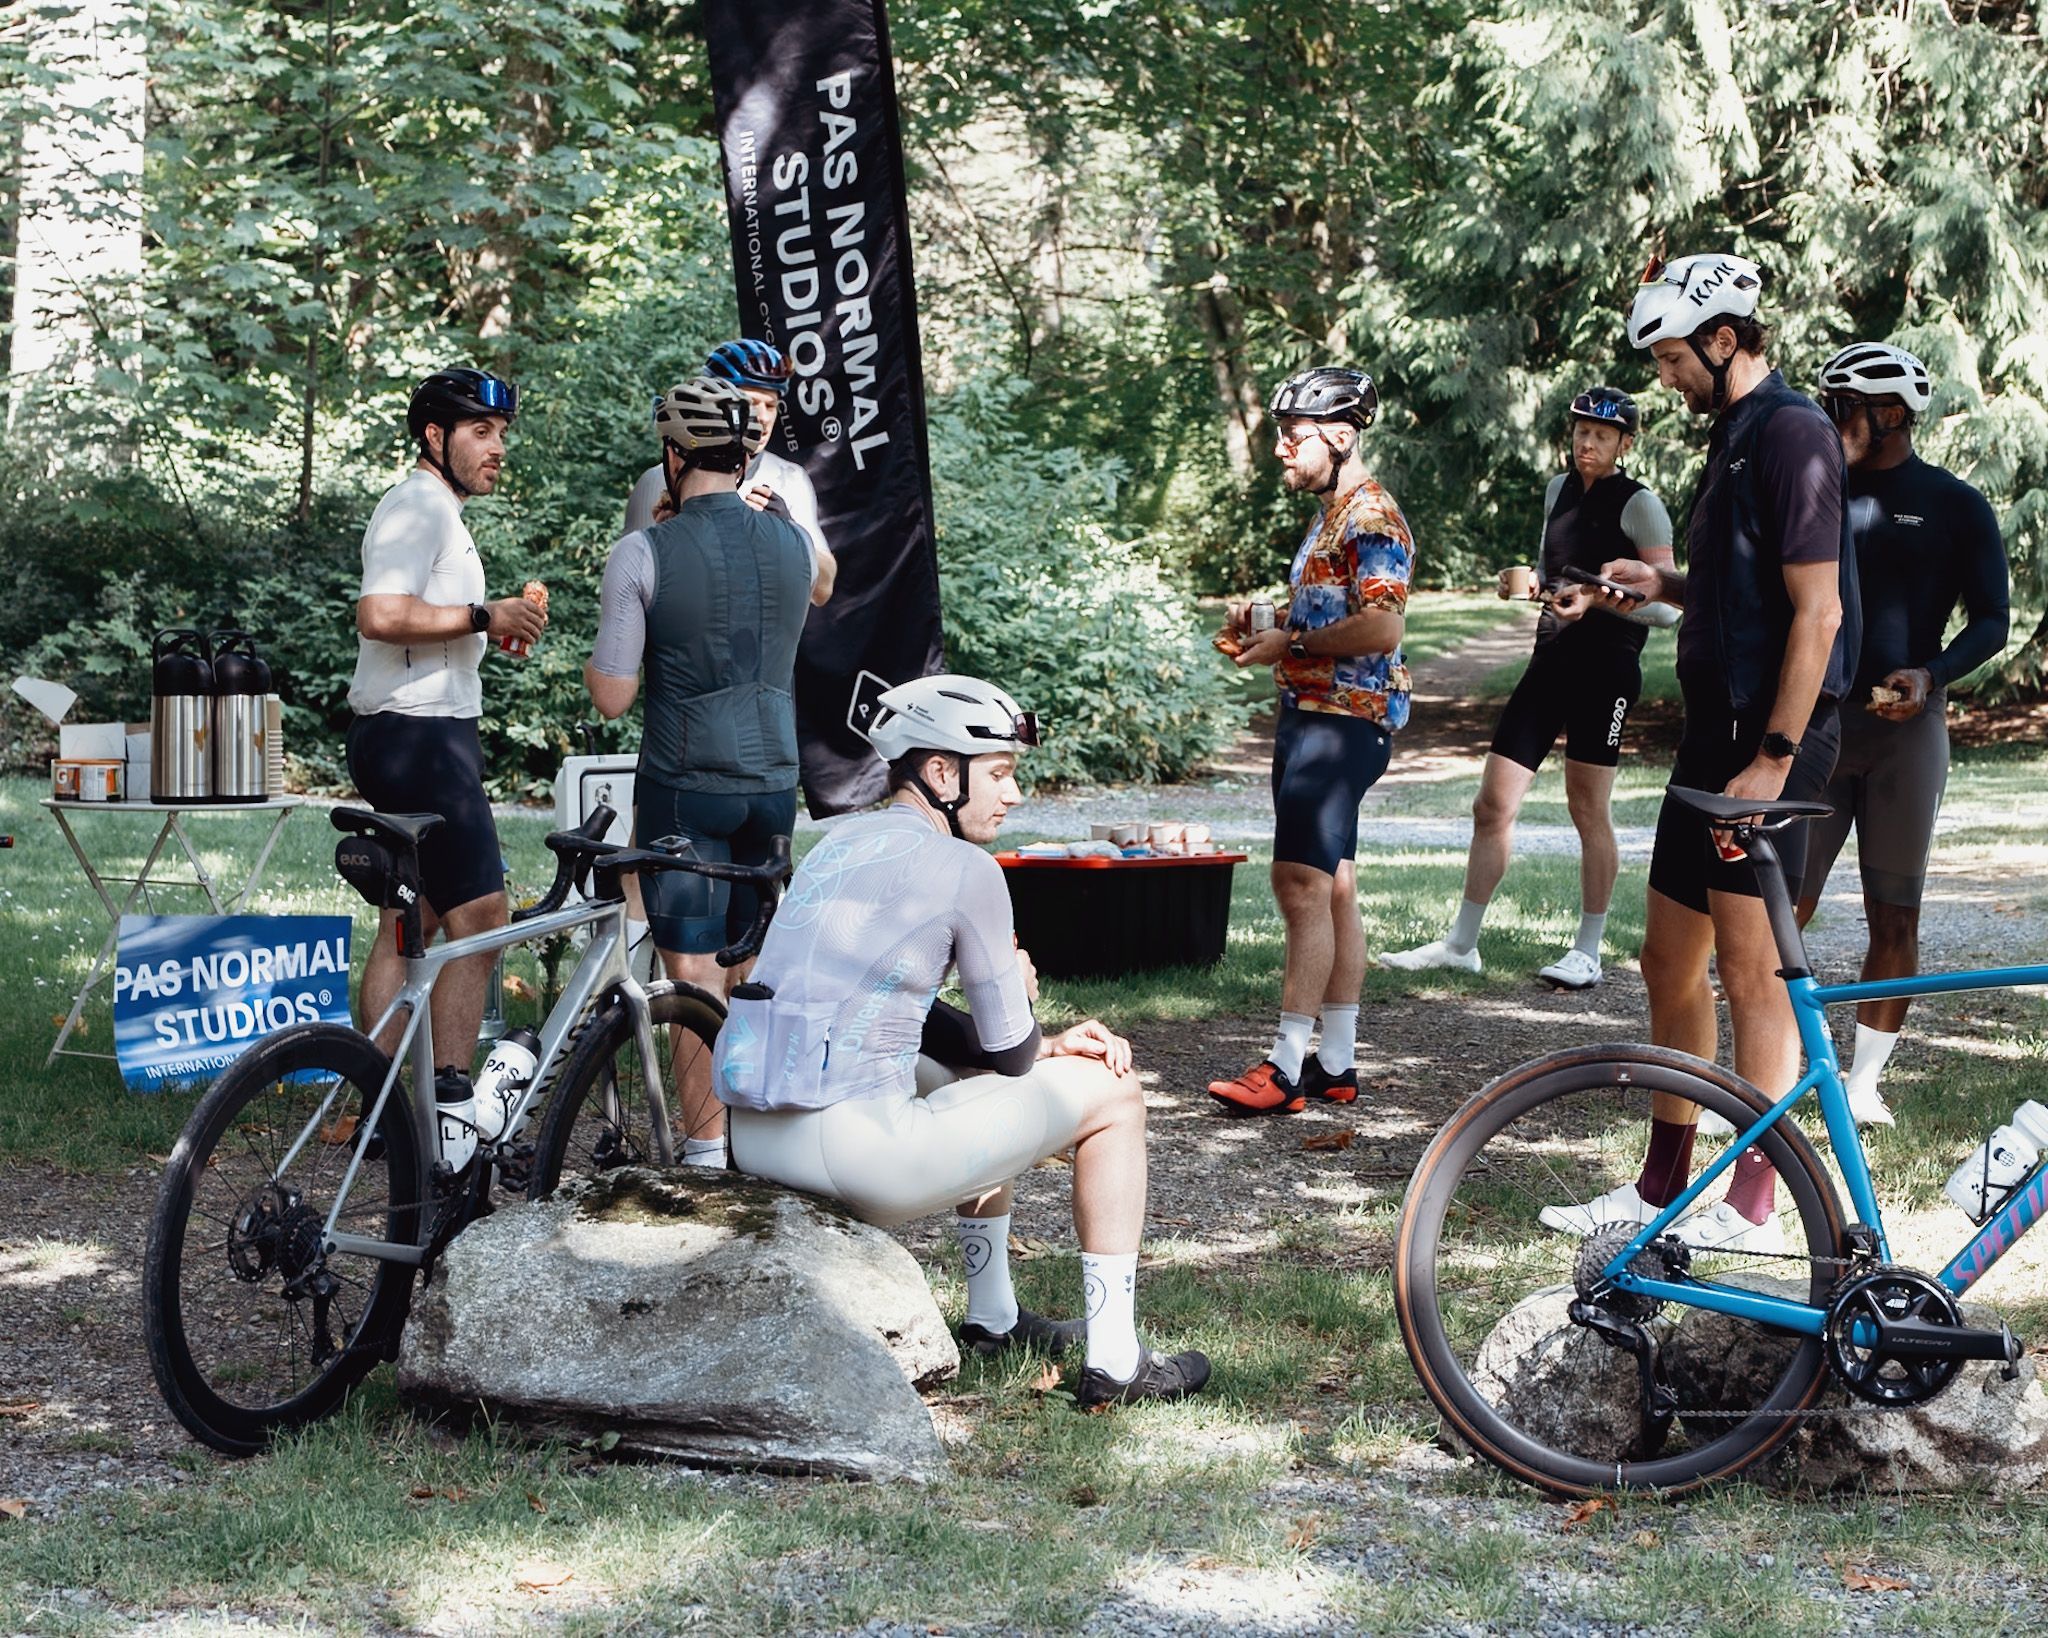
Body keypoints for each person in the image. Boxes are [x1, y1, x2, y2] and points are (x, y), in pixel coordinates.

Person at [713, 674, 1211, 1408]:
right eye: (1001, 774)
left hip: (759, 1134)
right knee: (1115, 1094)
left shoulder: (836, 844)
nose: (1013, 794)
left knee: (967, 1076)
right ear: (942, 772)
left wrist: (1039, 1046)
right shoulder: (966, 868)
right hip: (860, 1157)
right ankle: (1116, 1360)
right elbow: (1006, 1053)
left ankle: (994, 1318)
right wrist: (1022, 992)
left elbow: (905, 1018)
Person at [1540, 251, 1858, 1253]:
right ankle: (1660, 1185)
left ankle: (1754, 1203)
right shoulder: (1732, 438)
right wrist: (1660, 585)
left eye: (1675, 357)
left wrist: (1772, 755)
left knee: (1749, 972)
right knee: (1665, 956)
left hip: (1769, 740)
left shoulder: (1795, 436)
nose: (1665, 379)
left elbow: (1818, 614)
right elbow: (1740, 594)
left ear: (1726, 340)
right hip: (1713, 735)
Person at [585, 377, 815, 1167]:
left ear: (674, 455)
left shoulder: (641, 550)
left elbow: (613, 698)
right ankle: (763, 1143)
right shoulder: (792, 543)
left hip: (684, 782)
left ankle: (708, 1157)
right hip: (773, 784)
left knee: (690, 978)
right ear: (744, 450)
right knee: (751, 965)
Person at [1381, 386, 1677, 990]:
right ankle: (1461, 944)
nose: (1586, 442)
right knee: (1492, 805)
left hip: (1608, 672)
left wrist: (1596, 601)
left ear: (1625, 442)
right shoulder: (1557, 492)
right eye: (1579, 431)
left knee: (1587, 810)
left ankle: (1587, 952)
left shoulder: (1640, 505)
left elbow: (1667, 610)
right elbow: (1555, 575)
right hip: (1551, 662)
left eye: (1600, 434)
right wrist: (1532, 586)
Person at [1795, 342, 2009, 1125]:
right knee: (1784, 906)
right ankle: (1772, 1068)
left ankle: (1861, 1085)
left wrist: (1932, 674)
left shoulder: (1954, 504)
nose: (1829, 418)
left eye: (1841, 405)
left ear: (1889, 413)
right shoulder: (1814, 492)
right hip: (1818, 724)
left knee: (1896, 913)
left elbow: (1993, 619)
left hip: (1907, 734)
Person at [1207, 365, 1415, 1115]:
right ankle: (1335, 1062)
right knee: (1334, 888)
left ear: (1339, 435)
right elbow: (1332, 610)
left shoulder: (1371, 518)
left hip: (1342, 723)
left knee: (1298, 886)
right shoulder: (1334, 515)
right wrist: (1269, 622)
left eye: (1293, 439)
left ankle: (1286, 1066)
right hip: (1317, 716)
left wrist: (1289, 645)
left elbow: (1382, 626)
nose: (1283, 452)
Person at [346, 367, 548, 1088]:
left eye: (501, 435)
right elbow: (379, 614)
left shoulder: (442, 515)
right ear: (435, 437)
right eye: (481, 432)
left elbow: (428, 623)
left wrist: (489, 627)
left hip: (414, 731)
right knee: (483, 917)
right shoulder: (417, 507)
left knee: (415, 920)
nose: (497, 448)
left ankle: (380, 1108)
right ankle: (451, 1104)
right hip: (421, 736)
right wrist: (480, 616)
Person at [622, 339, 837, 606]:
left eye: (771, 405)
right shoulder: (658, 481)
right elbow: (628, 591)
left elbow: (824, 589)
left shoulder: (789, 478)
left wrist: (789, 532)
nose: (763, 417)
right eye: (751, 401)